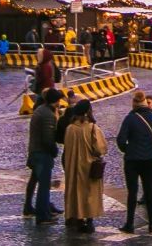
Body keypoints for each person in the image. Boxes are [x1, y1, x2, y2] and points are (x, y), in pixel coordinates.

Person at [117, 91, 152, 234]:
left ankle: (130, 223)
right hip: (149, 159)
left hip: (132, 160)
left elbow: (120, 140)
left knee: (132, 192)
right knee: (149, 191)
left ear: (134, 102)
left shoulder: (130, 119)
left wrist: (128, 149)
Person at [60, 100, 107, 233]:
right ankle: (90, 221)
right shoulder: (92, 128)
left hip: (74, 166)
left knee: (76, 192)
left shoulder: (70, 128)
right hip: (89, 166)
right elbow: (100, 148)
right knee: (90, 193)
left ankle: (79, 220)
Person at [24, 88, 63, 224]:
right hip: (42, 153)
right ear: (54, 101)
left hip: (35, 151)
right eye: (58, 100)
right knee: (44, 186)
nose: (59, 103)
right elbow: (48, 139)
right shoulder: (48, 115)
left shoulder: (40, 110)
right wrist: (54, 151)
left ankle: (39, 210)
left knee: (36, 181)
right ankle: (42, 216)